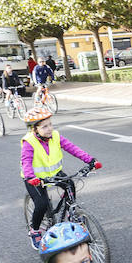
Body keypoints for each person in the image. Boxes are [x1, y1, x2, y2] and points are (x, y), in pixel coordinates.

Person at [21, 106, 102, 249]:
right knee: (41, 204)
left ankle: (71, 214)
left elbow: (73, 148)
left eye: (50, 124)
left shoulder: (56, 136)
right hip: (35, 178)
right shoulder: (29, 142)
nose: (49, 128)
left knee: (70, 184)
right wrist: (30, 177)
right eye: (45, 126)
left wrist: (90, 160)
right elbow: (26, 161)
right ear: (34, 129)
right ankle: (34, 231)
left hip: (54, 173)